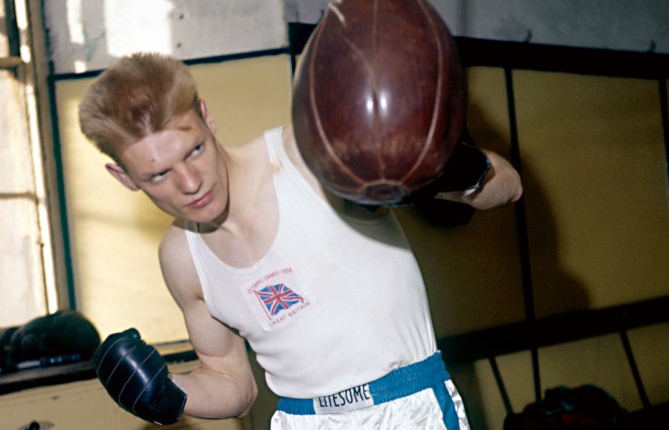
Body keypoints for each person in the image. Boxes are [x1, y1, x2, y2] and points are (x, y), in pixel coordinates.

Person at [80, 52, 523, 429]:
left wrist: (441, 171)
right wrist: (168, 394)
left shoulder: (309, 158)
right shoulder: (182, 258)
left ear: (207, 118)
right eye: (159, 174)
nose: (191, 182)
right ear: (124, 177)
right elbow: (233, 380)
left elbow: (509, 185)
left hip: (406, 408)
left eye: (193, 150)